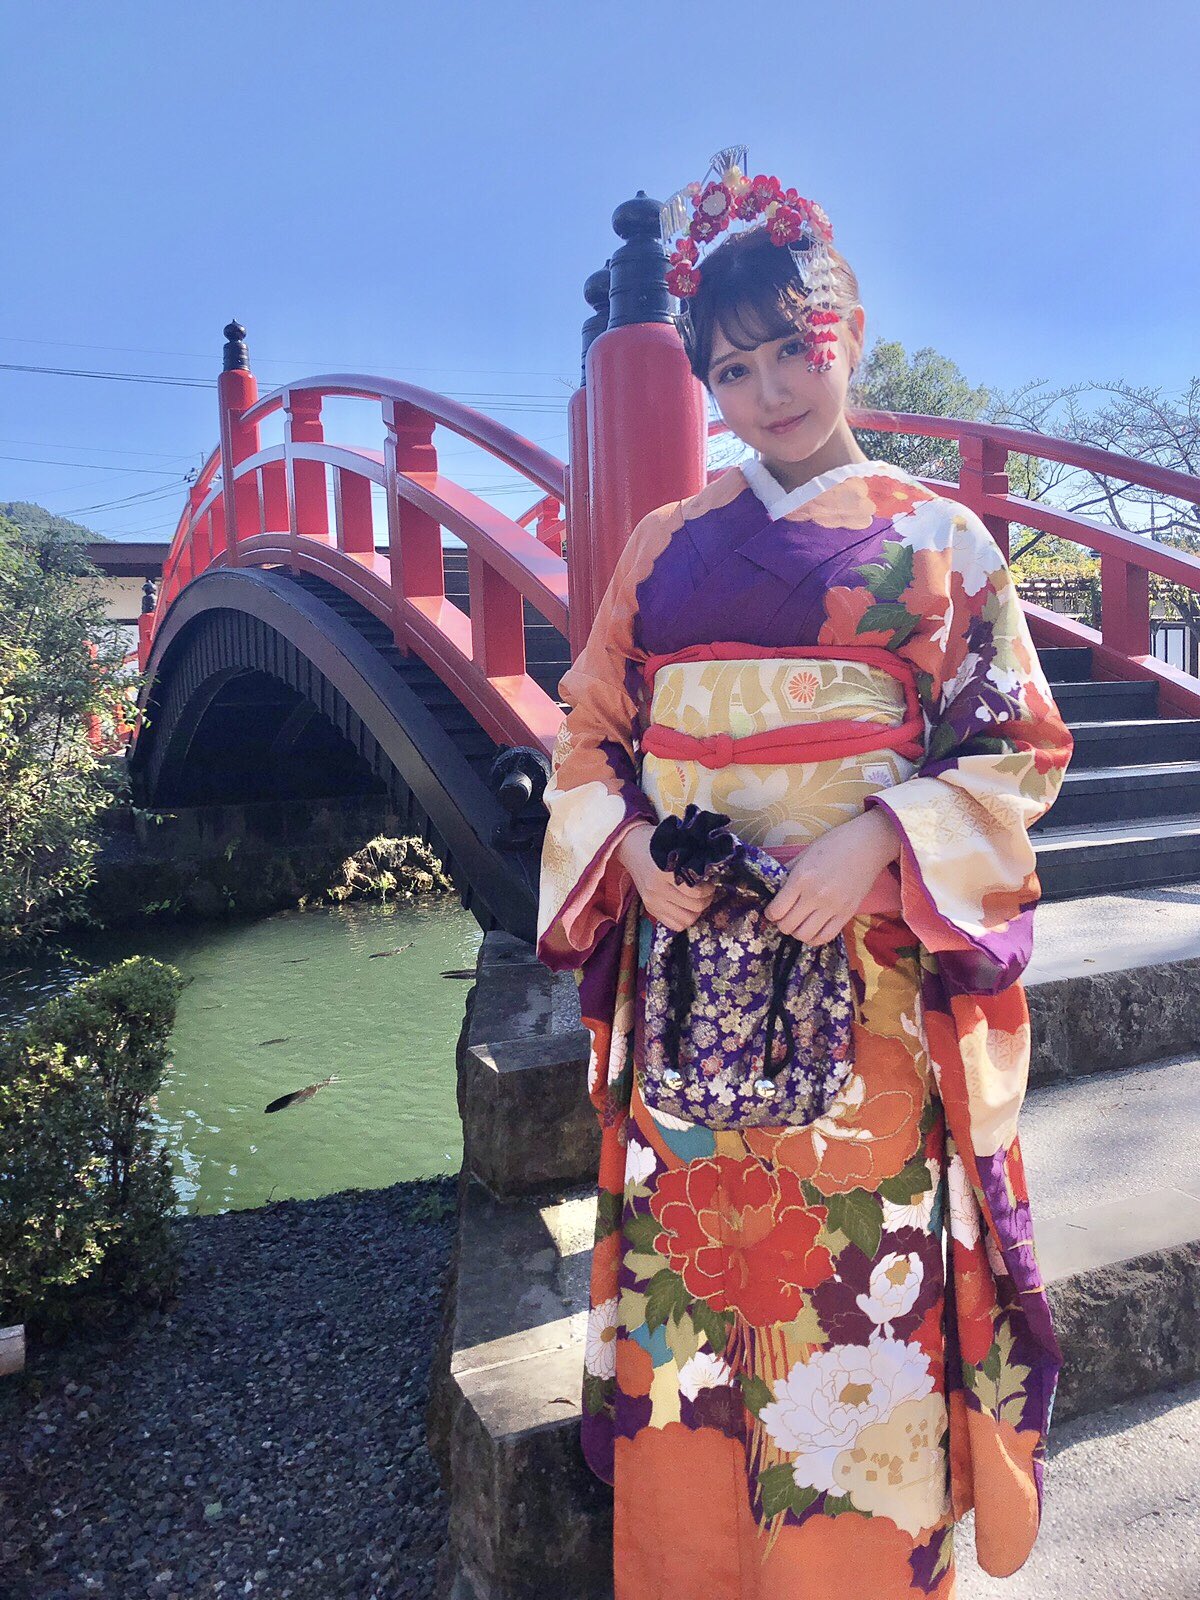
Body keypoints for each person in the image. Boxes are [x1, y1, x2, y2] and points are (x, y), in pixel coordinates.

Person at [536, 149, 1072, 1599]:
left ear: (849, 338)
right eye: (733, 367)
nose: (768, 390)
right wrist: (632, 849)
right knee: (699, 1321)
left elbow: (1017, 748)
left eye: (793, 349)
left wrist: (884, 837)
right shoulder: (664, 547)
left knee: (856, 1300)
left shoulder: (944, 541)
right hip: (694, 1001)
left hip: (870, 1001)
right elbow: (589, 739)